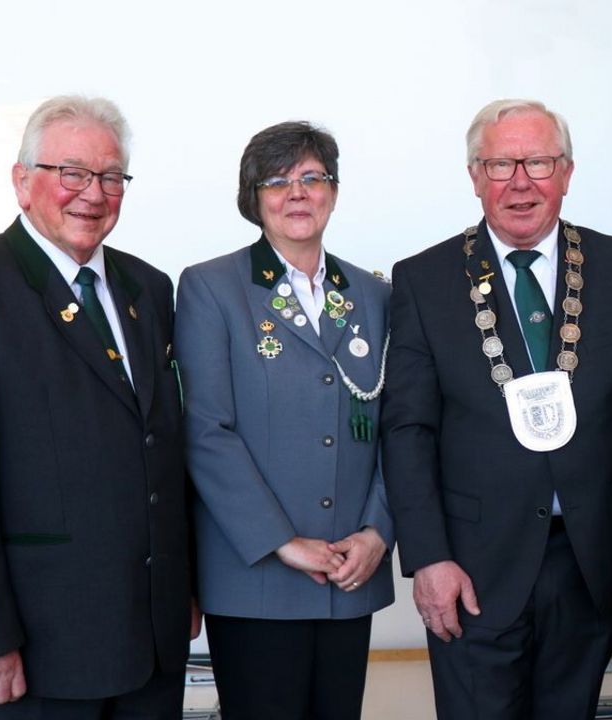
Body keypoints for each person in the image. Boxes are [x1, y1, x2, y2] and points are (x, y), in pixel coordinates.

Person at [0, 95, 193, 717]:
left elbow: (162, 447)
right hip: (37, 650)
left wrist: (180, 587)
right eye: (72, 172)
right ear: (23, 182)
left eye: (111, 177)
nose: (93, 193)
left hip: (151, 636)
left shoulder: (150, 288)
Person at [381, 99, 612, 719]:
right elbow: (408, 430)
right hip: (471, 569)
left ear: (567, 171)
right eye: (501, 164)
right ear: (475, 177)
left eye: (538, 162)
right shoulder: (424, 279)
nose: (521, 182)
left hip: (591, 562)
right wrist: (428, 557)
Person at [174, 121, 394, 720]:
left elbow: (398, 429)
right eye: (277, 181)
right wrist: (283, 543)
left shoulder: (374, 297)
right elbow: (206, 432)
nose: (296, 192)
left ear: (334, 190)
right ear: (254, 199)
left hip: (352, 571)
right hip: (256, 580)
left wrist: (378, 533)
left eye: (311, 177)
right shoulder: (211, 288)